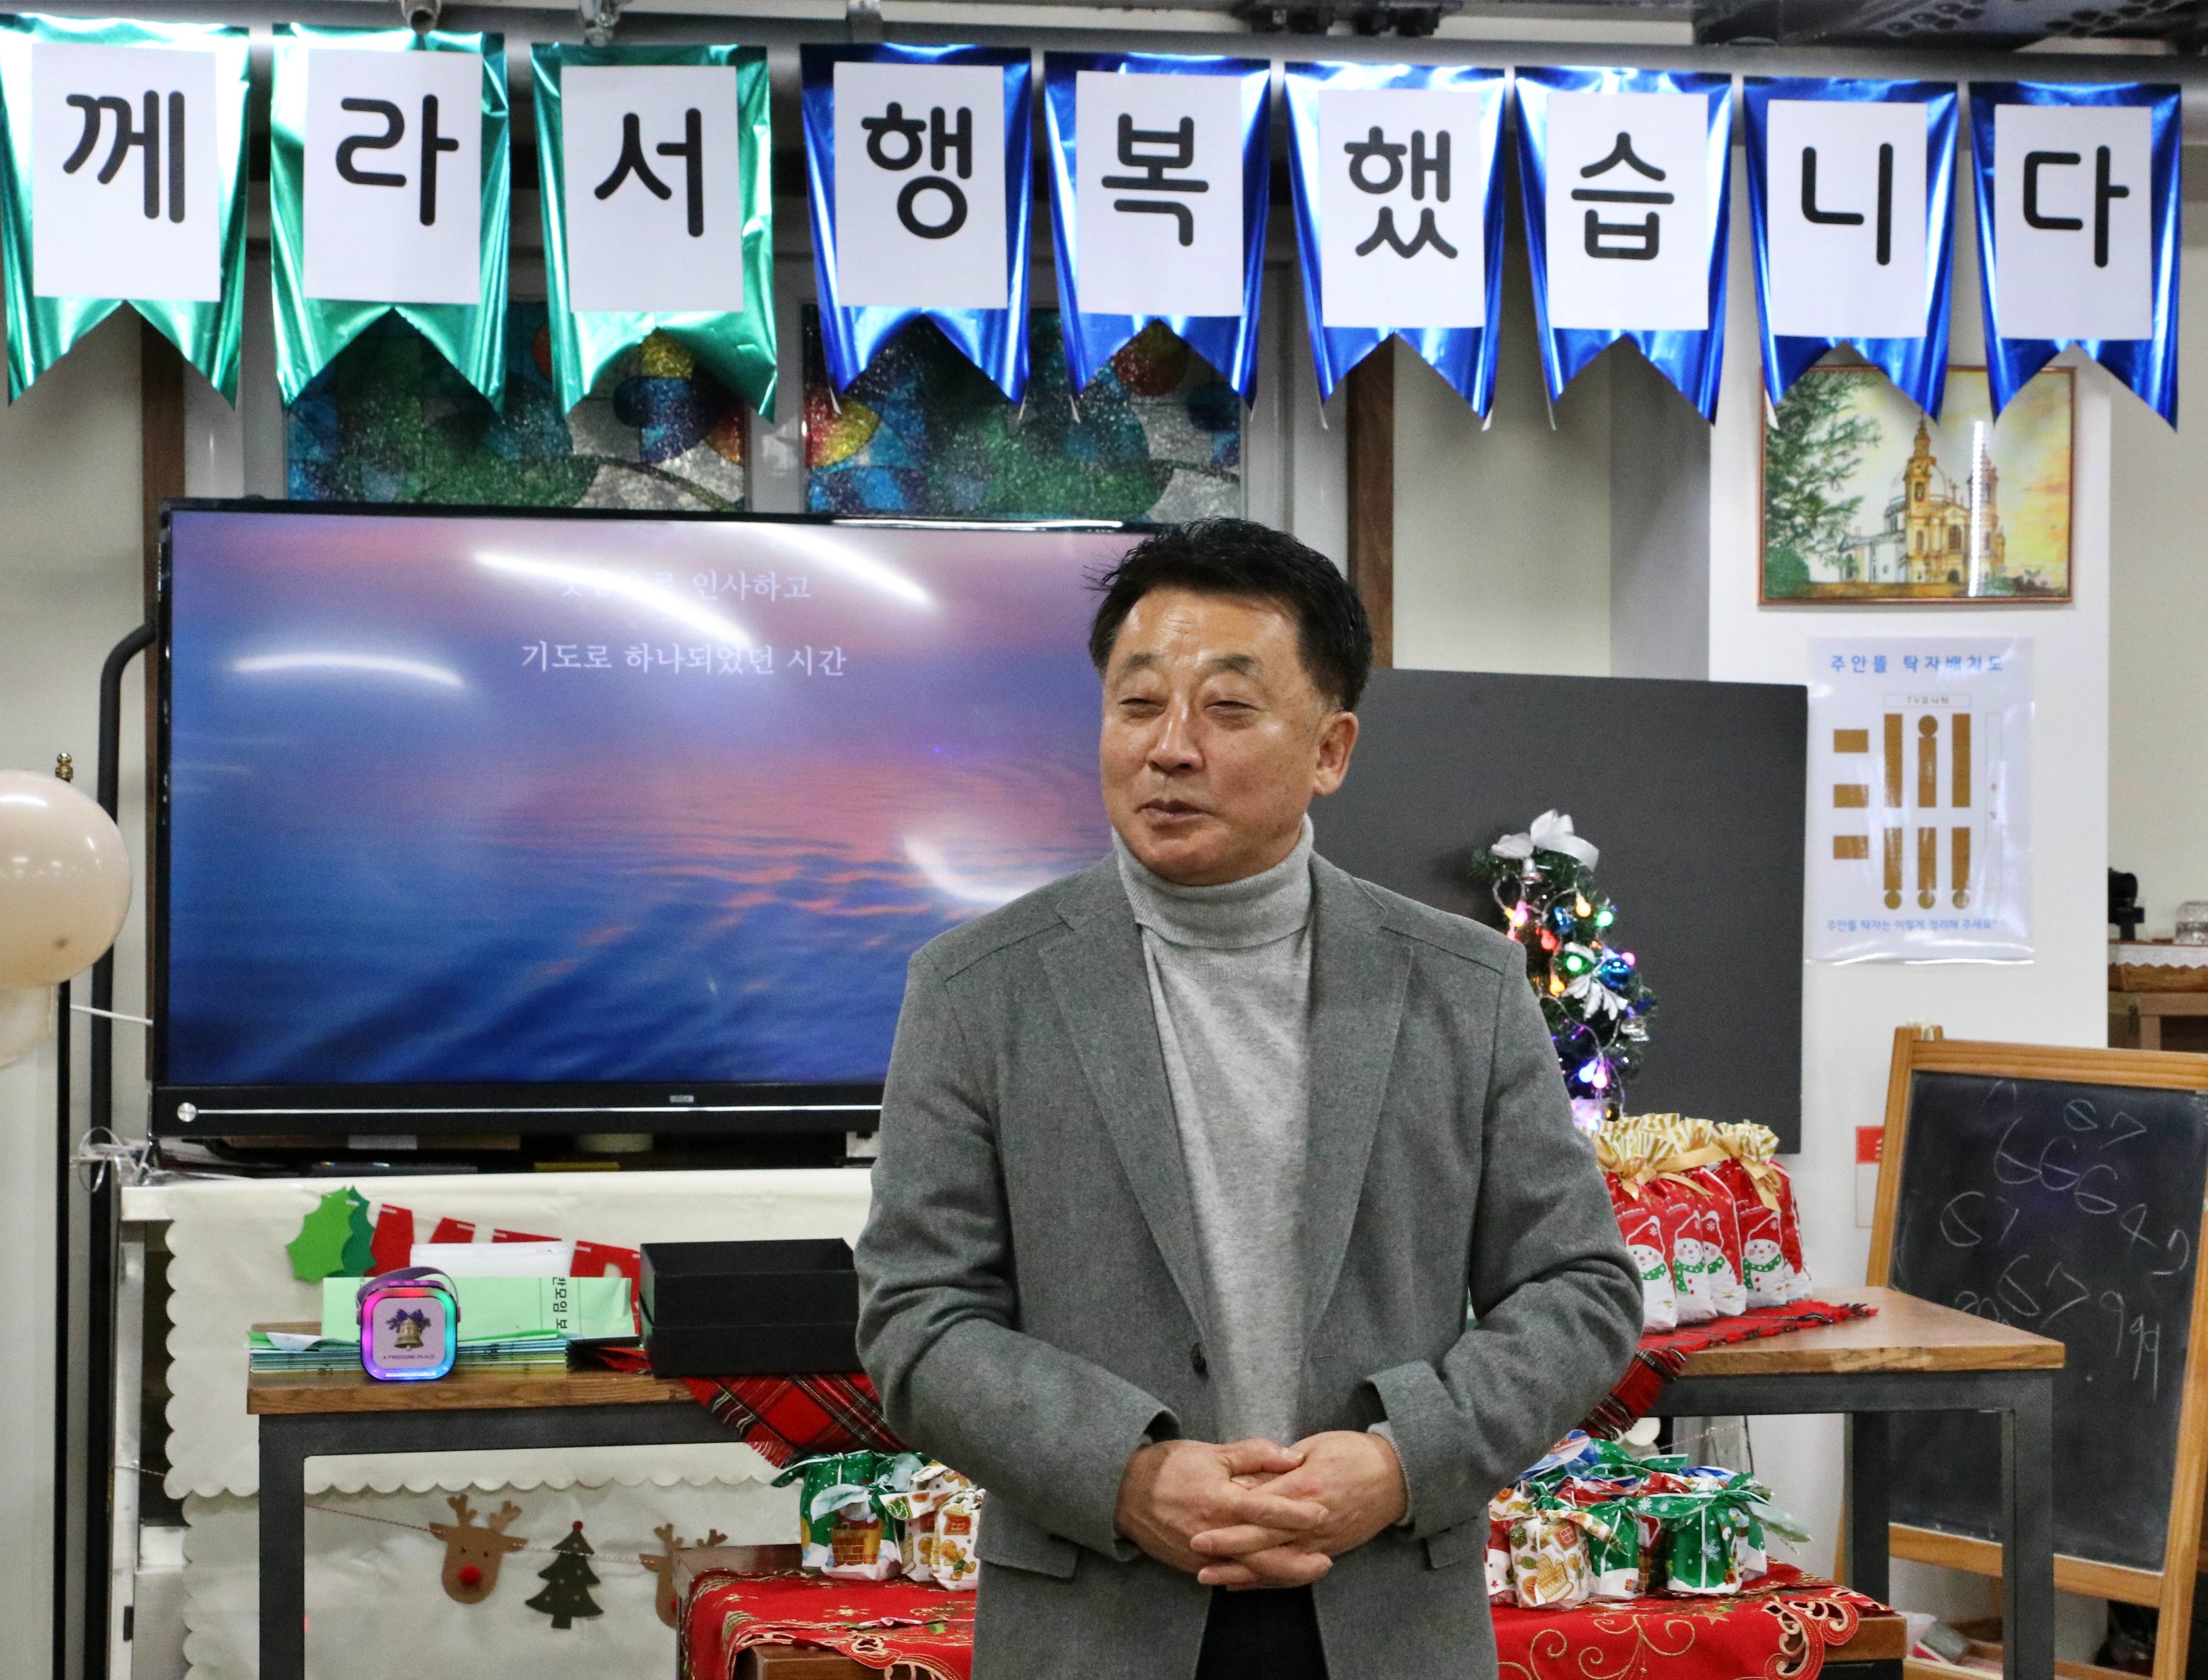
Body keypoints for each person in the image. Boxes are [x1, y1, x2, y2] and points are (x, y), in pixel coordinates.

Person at [856, 519, 1642, 1680]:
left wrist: (1401, 1460)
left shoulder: (1463, 986)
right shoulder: (980, 988)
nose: (1171, 748)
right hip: (1095, 1619)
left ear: (1331, 748)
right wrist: (1125, 1473)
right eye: (1138, 705)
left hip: (1383, 1618)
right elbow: (918, 1317)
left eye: (1228, 708)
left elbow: (1580, 1287)